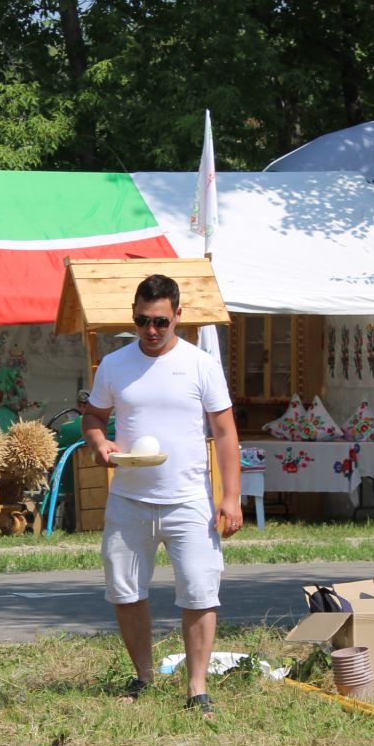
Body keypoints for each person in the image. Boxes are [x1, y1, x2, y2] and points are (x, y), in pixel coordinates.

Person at [81, 273, 243, 714]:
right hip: (129, 498)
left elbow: (226, 433)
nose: (150, 331)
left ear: (178, 317)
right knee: (126, 590)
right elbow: (93, 417)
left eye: (160, 322)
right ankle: (143, 677)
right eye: (142, 321)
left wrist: (231, 497)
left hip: (189, 499)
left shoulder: (201, 364)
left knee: (199, 591)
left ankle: (197, 688)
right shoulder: (114, 365)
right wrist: (100, 444)